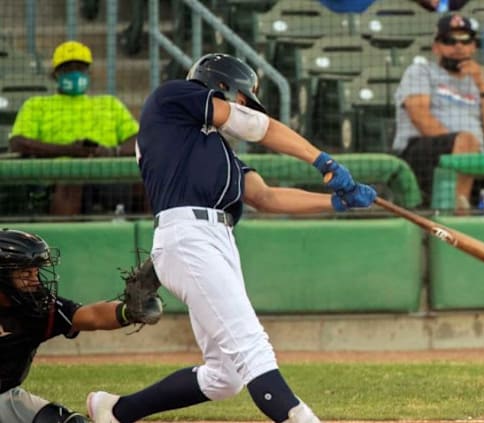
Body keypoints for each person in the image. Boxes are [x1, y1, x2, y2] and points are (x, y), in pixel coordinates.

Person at [85, 53, 376, 423]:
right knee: (253, 349)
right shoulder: (173, 98)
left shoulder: (210, 148)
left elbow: (265, 196)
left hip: (216, 239)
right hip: (188, 235)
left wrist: (336, 202)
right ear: (218, 84)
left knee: (227, 376)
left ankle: (116, 410)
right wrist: (323, 161)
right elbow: (259, 126)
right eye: (239, 97)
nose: (242, 107)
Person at [0, 228, 158, 423]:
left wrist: (129, 311)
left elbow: (91, 316)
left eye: (36, 271)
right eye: (26, 273)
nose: (35, 280)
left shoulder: (37, 308)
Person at [392, 13, 484, 210]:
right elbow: (420, 117)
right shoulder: (421, 71)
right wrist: (462, 146)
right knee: (467, 140)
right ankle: (458, 223)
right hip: (421, 156)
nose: (458, 47)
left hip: (474, 160)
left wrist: (482, 87)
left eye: (465, 40)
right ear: (436, 47)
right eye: (449, 41)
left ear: (473, 46)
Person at [8, 40, 140, 216]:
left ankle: (152, 238)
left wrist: (111, 151)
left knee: (146, 178)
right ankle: (62, 240)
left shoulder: (109, 104)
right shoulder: (36, 105)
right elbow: (18, 143)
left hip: (106, 174)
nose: (75, 74)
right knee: (72, 178)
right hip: (58, 180)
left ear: (89, 72)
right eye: (68, 69)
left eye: (80, 68)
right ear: (55, 74)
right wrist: (71, 150)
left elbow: (138, 139)